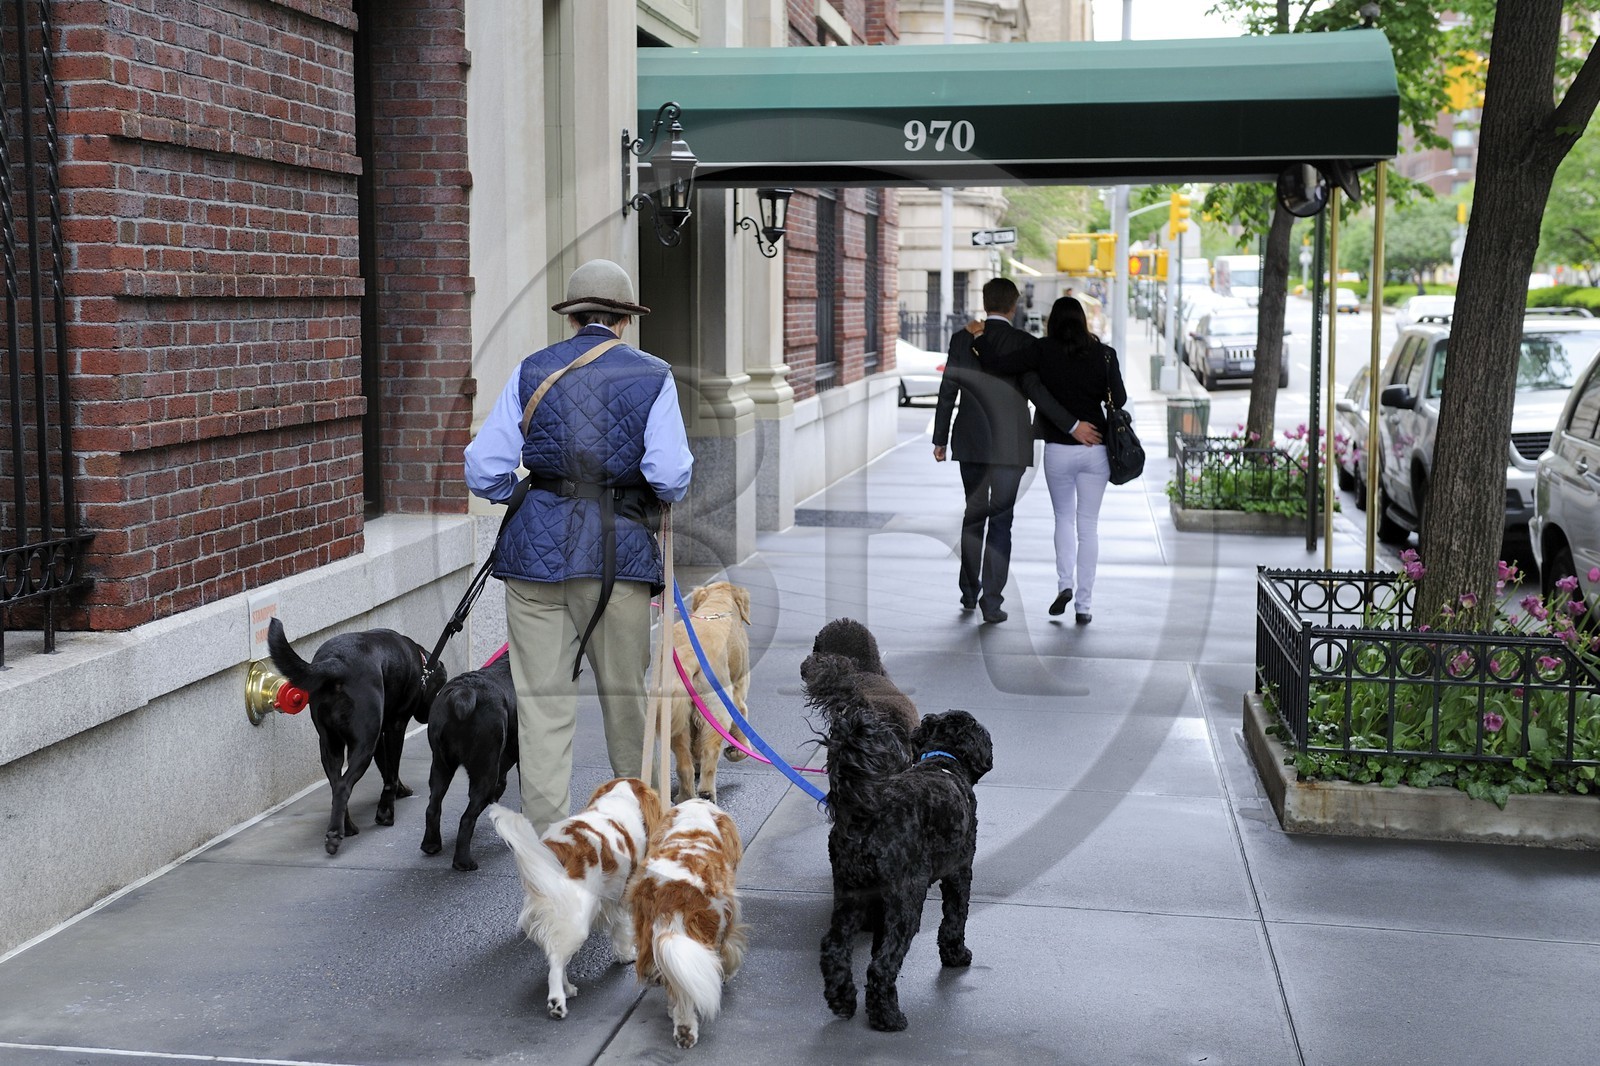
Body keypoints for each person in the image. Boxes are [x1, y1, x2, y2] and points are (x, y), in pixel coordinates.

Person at [463, 258, 693, 831]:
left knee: (542, 714)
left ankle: (550, 870)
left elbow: (482, 467)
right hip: (619, 558)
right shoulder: (653, 375)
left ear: (573, 319)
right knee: (628, 710)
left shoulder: (530, 370)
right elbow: (670, 475)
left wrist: (524, 493)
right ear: (623, 320)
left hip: (534, 559)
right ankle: (640, 845)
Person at [932, 277, 1036, 624]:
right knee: (1001, 522)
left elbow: (948, 390)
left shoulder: (962, 339)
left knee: (973, 515)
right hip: (1010, 447)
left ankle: (968, 591)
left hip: (972, 442)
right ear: (1013, 305)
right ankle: (992, 602)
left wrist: (940, 439)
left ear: (984, 301)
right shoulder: (1024, 342)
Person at [1019, 295, 1126, 626]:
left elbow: (1023, 375)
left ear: (1053, 321)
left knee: (1063, 518)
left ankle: (1064, 584)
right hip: (1095, 448)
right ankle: (1084, 604)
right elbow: (1119, 398)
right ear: (1082, 320)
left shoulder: (1042, 351)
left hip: (1058, 449)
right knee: (1088, 526)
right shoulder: (1104, 354)